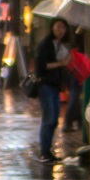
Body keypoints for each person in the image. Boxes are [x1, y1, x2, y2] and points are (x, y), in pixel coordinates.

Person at [34, 18, 72, 161]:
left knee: (54, 119)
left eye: (63, 28)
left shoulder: (60, 44)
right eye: (58, 27)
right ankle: (44, 152)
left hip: (56, 86)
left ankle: (47, 151)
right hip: (46, 86)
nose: (60, 30)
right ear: (52, 28)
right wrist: (60, 63)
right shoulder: (45, 45)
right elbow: (40, 67)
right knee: (49, 119)